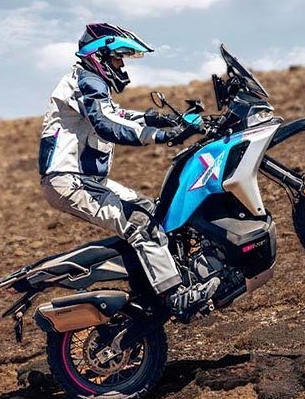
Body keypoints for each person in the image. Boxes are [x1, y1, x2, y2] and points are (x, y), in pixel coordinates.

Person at [37, 23, 221, 321]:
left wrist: (161, 119)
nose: (122, 66)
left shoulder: (88, 83)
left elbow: (117, 114)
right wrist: (162, 136)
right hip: (69, 180)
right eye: (118, 58)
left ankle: (154, 284)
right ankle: (175, 296)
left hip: (85, 180)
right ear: (100, 55)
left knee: (152, 210)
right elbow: (106, 123)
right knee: (140, 222)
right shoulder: (85, 81)